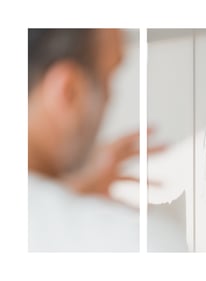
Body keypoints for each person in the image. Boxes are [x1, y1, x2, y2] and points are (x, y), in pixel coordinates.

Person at [28, 29, 143, 251]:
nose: (109, 98)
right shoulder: (130, 243)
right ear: (68, 90)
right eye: (108, 77)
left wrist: (69, 190)